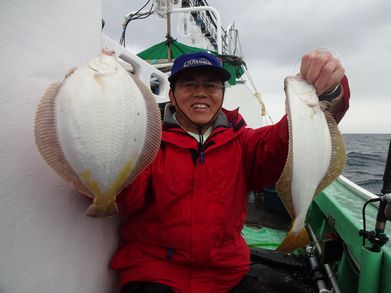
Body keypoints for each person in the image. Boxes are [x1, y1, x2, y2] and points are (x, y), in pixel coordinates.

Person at [110, 50, 350, 293]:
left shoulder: (243, 143)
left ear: (222, 94)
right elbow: (126, 198)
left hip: (226, 276)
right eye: (189, 84)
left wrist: (329, 90)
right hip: (156, 273)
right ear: (172, 94)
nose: (201, 92)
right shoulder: (148, 143)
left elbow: (295, 137)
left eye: (211, 85)